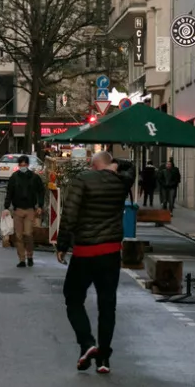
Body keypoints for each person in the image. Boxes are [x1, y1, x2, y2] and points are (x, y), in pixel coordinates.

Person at [56, 151, 135, 375]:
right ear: (111, 165)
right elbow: (131, 167)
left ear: (92, 166)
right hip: (110, 252)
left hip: (84, 252)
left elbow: (70, 214)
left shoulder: (83, 180)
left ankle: (87, 343)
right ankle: (104, 360)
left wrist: (62, 245)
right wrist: (116, 166)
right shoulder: (122, 181)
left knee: (73, 298)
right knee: (107, 305)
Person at [2, 155, 46, 268]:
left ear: (27, 165)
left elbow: (41, 191)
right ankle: (22, 259)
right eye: (20, 165)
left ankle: (30, 256)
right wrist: (6, 207)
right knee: (19, 236)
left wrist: (40, 205)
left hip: (30, 209)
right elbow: (9, 193)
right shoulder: (14, 177)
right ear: (18, 165)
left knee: (28, 234)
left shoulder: (34, 177)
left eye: (24, 165)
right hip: (17, 210)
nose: (23, 167)